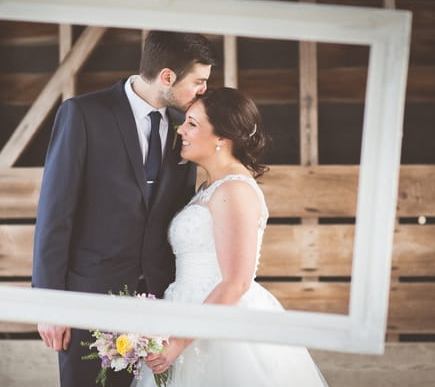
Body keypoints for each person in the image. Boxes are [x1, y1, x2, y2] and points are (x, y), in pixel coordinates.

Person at [31, 31, 217, 387]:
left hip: (161, 306)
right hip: (88, 301)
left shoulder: (186, 129)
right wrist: (48, 304)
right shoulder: (83, 114)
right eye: (198, 81)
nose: (202, 91)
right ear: (167, 77)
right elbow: (55, 214)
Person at [137, 87, 328, 386]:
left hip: (222, 321)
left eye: (192, 124)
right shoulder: (209, 187)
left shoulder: (234, 190)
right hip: (186, 308)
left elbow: (236, 281)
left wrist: (178, 342)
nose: (181, 130)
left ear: (221, 138)